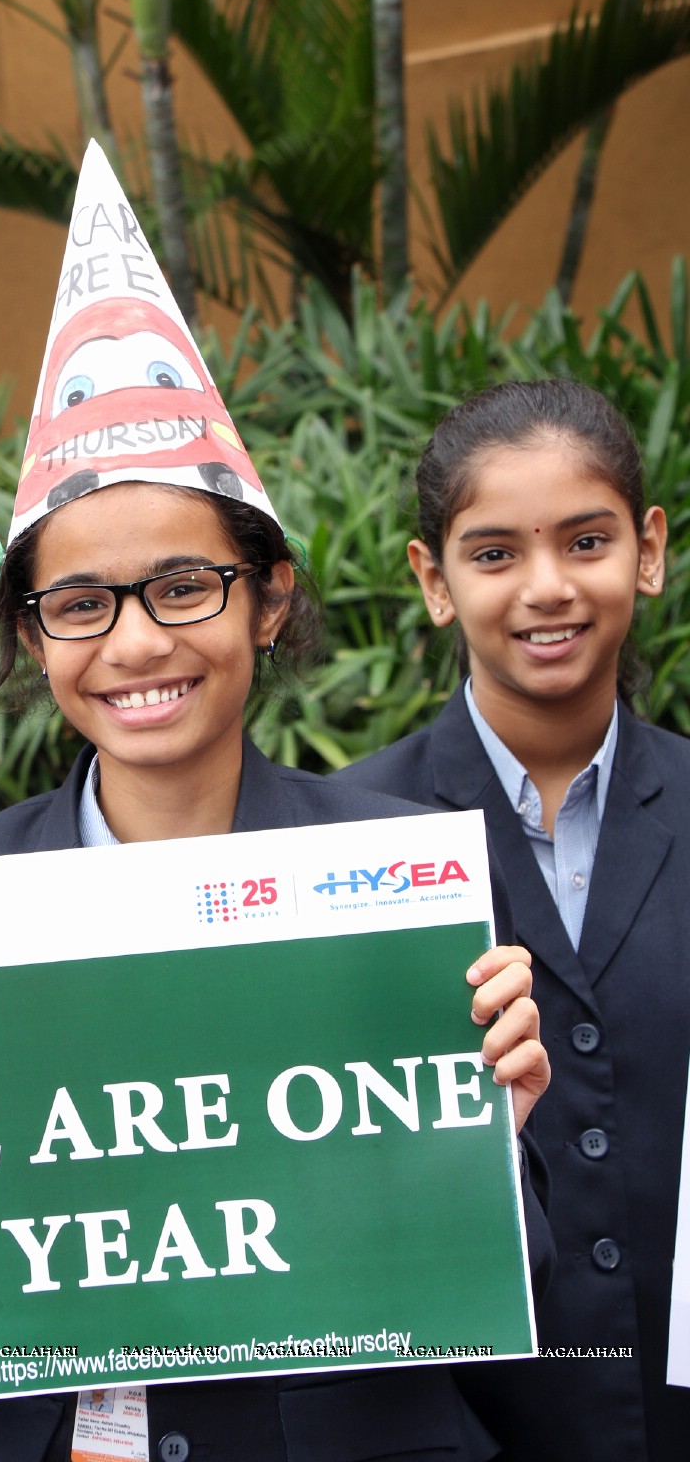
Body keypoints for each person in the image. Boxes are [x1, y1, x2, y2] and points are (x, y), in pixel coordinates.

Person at [0, 144, 551, 1462]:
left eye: (183, 587)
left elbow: (514, 1276)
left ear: (266, 597)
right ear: (35, 633)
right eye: (80, 605)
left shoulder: (403, 876)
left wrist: (494, 1132)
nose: (135, 644)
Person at [343, 379, 690, 1461]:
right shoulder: (341, 846)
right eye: (493, 554)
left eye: (585, 541)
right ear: (431, 580)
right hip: (460, 1432)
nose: (546, 588)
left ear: (647, 549)